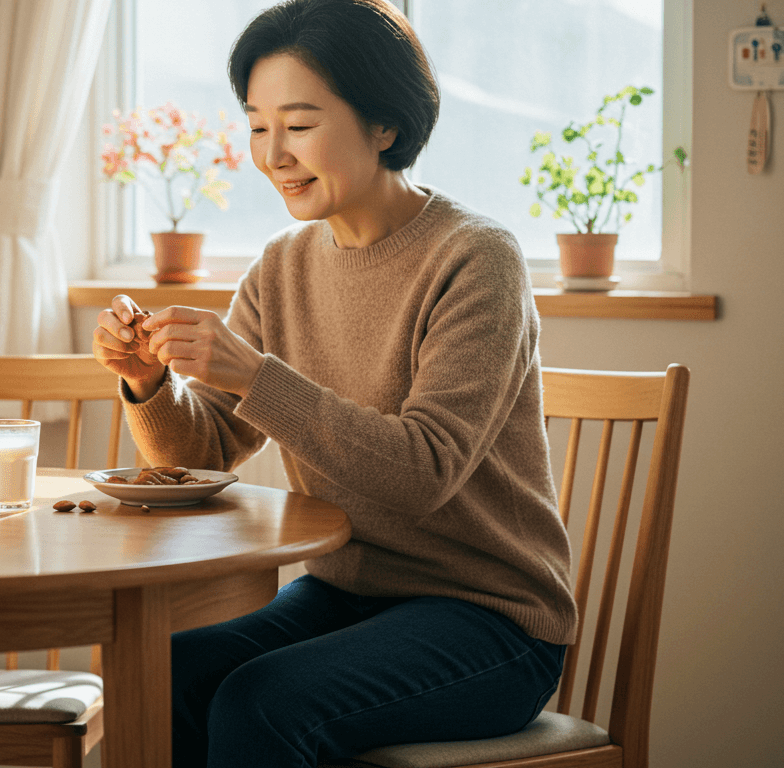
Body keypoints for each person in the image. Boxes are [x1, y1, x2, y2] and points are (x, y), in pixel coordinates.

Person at [90, 0, 577, 765]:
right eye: (257, 125)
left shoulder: (475, 259)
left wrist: (256, 374)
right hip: (345, 595)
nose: (273, 153)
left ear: (384, 124)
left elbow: (424, 474)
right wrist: (151, 384)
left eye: (300, 123)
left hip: (491, 620)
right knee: (166, 671)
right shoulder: (282, 266)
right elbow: (207, 450)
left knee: (262, 705)